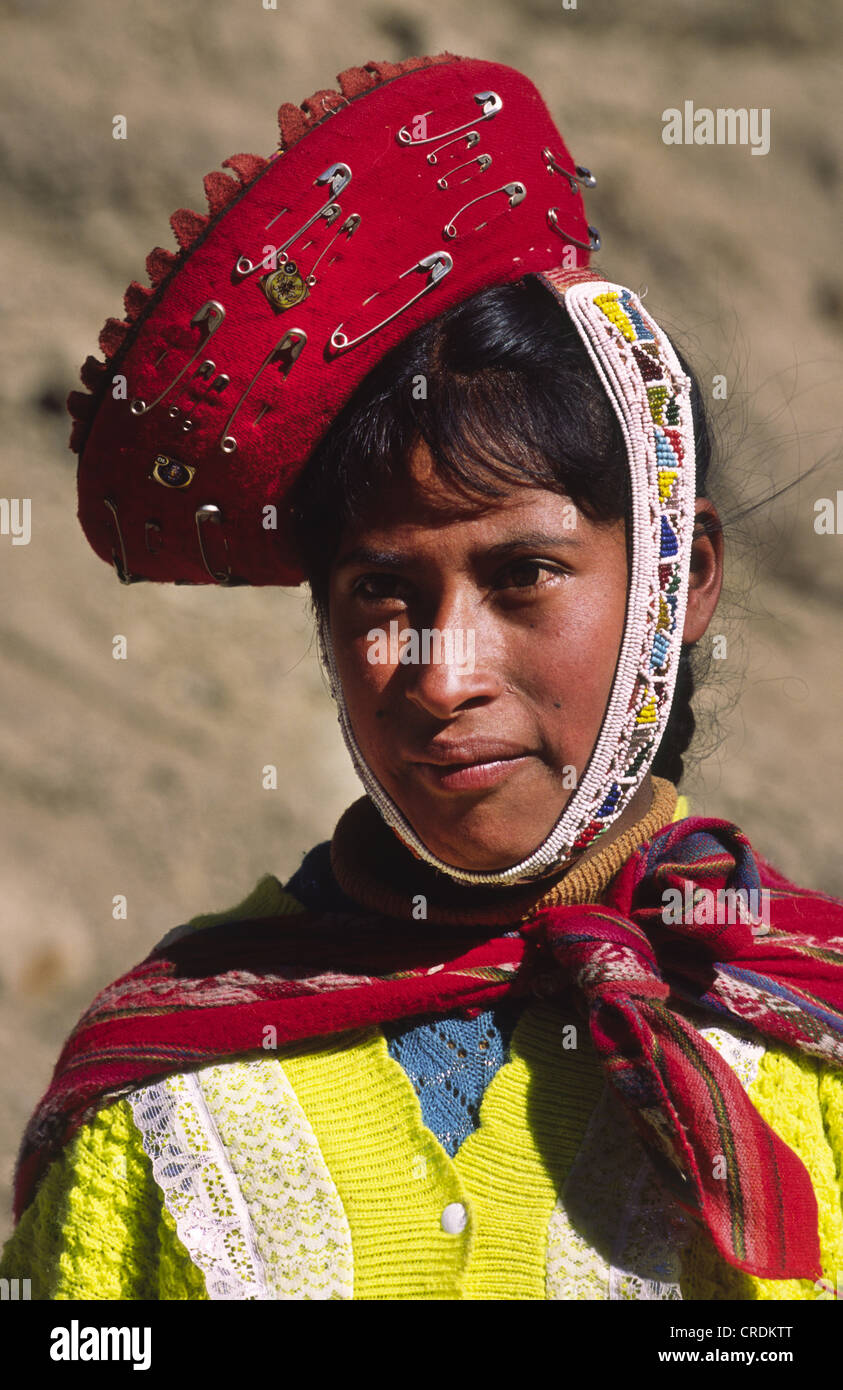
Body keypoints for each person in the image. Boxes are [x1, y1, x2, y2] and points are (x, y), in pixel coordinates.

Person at [2, 51, 843, 1302]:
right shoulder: (166, 1082)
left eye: (525, 578)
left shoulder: (809, 1046)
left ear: (685, 573)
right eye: (382, 595)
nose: (443, 676)